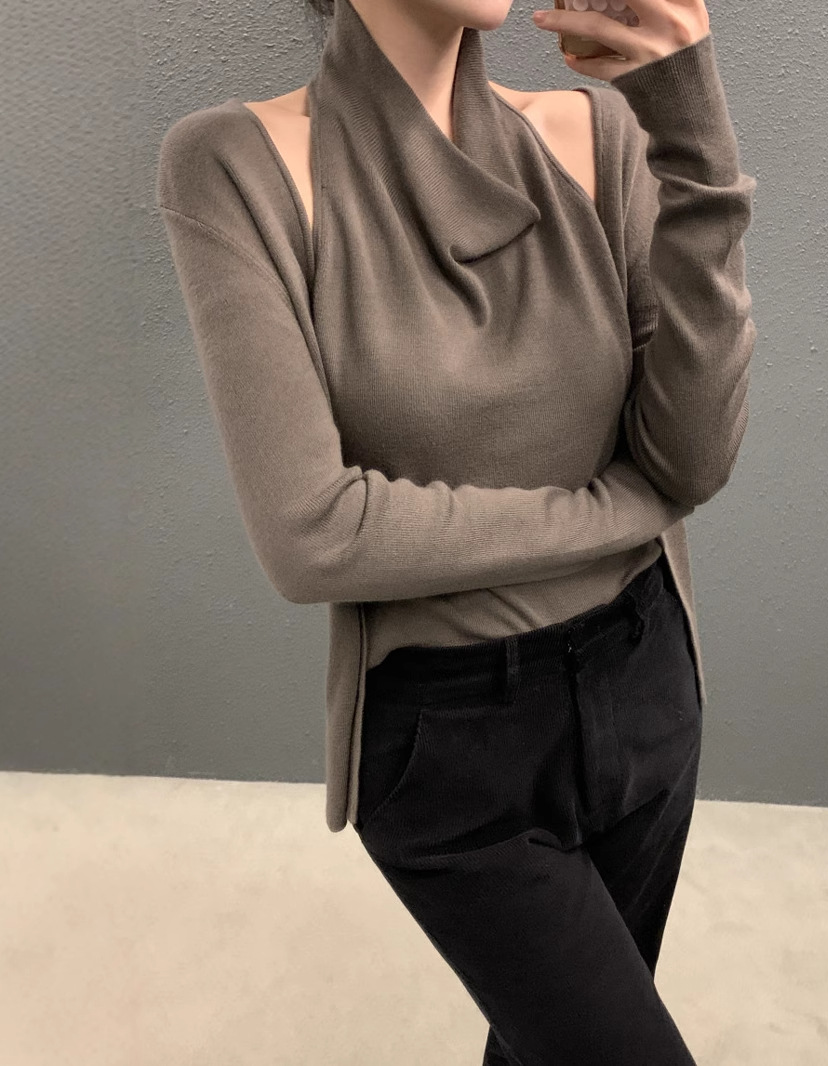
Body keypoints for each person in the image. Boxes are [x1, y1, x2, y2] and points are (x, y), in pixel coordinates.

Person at [156, 1, 756, 1061]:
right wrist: (615, 511)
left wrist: (692, 137)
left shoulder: (598, 135)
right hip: (451, 748)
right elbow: (313, 535)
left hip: (649, 681)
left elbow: (692, 459)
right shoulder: (234, 167)